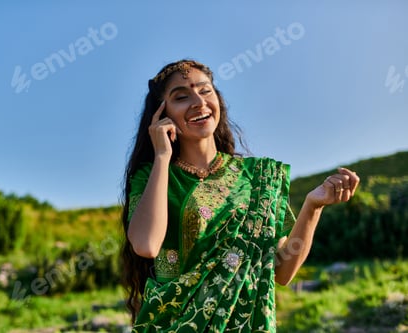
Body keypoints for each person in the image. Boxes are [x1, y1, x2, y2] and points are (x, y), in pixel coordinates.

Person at [120, 59, 360, 332]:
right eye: (181, 97)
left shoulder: (257, 178)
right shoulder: (153, 176)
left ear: (217, 100)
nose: (198, 102)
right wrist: (162, 155)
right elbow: (146, 245)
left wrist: (313, 206)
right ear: (162, 115)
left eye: (205, 90)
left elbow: (282, 272)